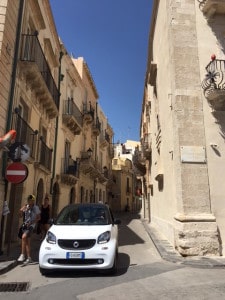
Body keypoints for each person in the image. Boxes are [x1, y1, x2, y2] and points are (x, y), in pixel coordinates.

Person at [17, 194, 41, 263]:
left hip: (31, 226)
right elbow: (20, 216)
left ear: (33, 201)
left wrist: (31, 223)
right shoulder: (26, 207)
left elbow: (39, 218)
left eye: (30, 200)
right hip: (25, 225)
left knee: (24, 237)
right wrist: (21, 210)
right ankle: (29, 257)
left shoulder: (35, 208)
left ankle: (22, 255)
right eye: (28, 200)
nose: (29, 201)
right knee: (27, 242)